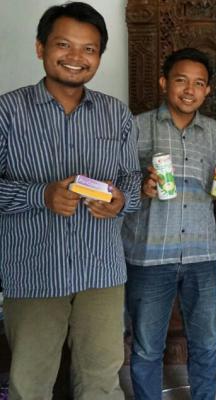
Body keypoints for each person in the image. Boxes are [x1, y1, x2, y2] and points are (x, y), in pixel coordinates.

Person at [0, 2, 140, 398]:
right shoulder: (7, 112)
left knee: (101, 382)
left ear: (99, 56)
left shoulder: (116, 114)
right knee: (30, 385)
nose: (76, 57)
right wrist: (40, 194)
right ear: (40, 48)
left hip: (101, 270)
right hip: (34, 272)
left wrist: (121, 200)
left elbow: (130, 177)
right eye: (64, 44)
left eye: (89, 49)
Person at [122, 48, 216, 400]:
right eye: (181, 81)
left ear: (207, 91)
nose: (190, 90)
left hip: (202, 254)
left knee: (206, 342)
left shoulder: (215, 132)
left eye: (199, 83)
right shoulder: (136, 126)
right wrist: (140, 186)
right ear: (164, 82)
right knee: (146, 346)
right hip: (149, 255)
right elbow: (116, 184)